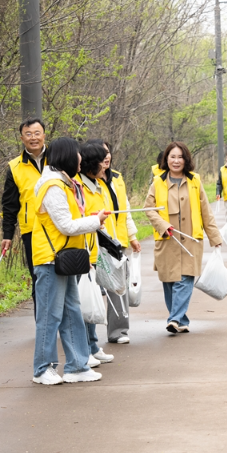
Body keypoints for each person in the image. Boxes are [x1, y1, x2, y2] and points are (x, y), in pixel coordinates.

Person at [31, 137, 109, 385]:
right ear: (66, 156)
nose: (80, 159)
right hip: (50, 260)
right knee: (50, 316)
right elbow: (65, 225)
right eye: (77, 154)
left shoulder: (65, 183)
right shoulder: (52, 186)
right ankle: (43, 369)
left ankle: (77, 366)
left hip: (64, 259)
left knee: (71, 313)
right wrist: (95, 222)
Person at [144, 141, 222, 334]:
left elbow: (206, 211)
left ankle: (174, 318)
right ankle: (182, 320)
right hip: (167, 239)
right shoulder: (158, 182)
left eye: (180, 157)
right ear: (166, 159)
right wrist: (162, 226)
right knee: (169, 282)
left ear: (186, 159)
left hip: (190, 239)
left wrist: (215, 237)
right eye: (172, 157)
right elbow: (148, 208)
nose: (176, 161)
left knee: (184, 279)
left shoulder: (195, 181)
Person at [88, 139, 142, 344]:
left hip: (115, 241)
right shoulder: (88, 180)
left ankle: (118, 331)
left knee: (118, 287)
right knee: (93, 287)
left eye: (108, 152)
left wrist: (133, 236)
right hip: (95, 239)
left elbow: (125, 210)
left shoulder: (117, 178)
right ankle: (89, 334)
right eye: (102, 154)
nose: (107, 156)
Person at [76, 143, 118, 367]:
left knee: (93, 299)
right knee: (84, 302)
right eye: (103, 161)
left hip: (95, 250)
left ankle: (92, 345)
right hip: (82, 252)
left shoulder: (99, 184)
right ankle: (85, 349)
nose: (106, 164)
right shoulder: (79, 187)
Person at [1, 118, 46, 316]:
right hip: (32, 231)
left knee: (63, 275)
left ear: (44, 135)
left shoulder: (58, 159)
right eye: (28, 134)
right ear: (22, 138)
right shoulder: (15, 167)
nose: (33, 138)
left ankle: (63, 323)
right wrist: (7, 234)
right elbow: (10, 205)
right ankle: (42, 325)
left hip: (61, 227)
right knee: (38, 277)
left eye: (37, 133)